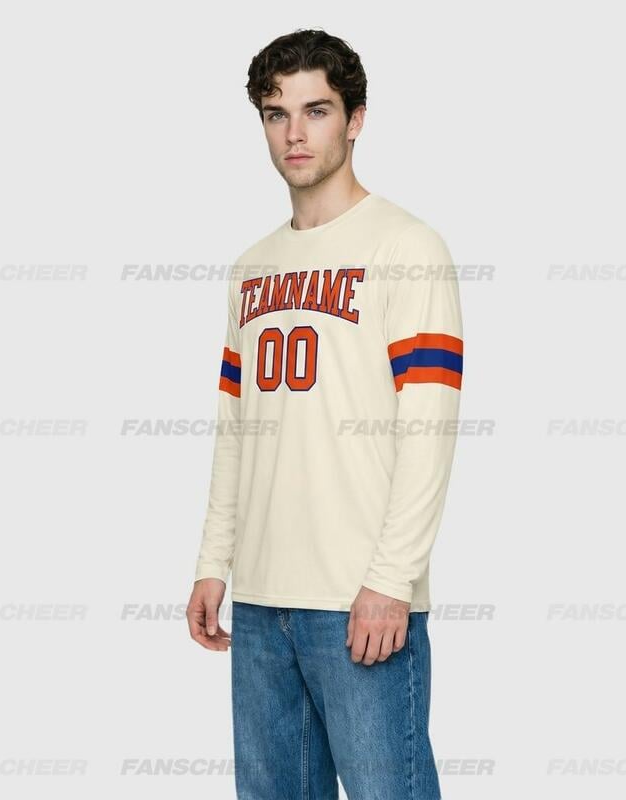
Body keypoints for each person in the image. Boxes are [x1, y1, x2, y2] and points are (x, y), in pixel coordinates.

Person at [186, 27, 463, 800]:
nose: (294, 133)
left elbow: (428, 428)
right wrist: (213, 563)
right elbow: (236, 429)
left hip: (358, 599)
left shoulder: (407, 247)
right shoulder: (251, 268)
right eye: (276, 113)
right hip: (261, 600)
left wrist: (391, 580)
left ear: (355, 119)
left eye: (316, 110)